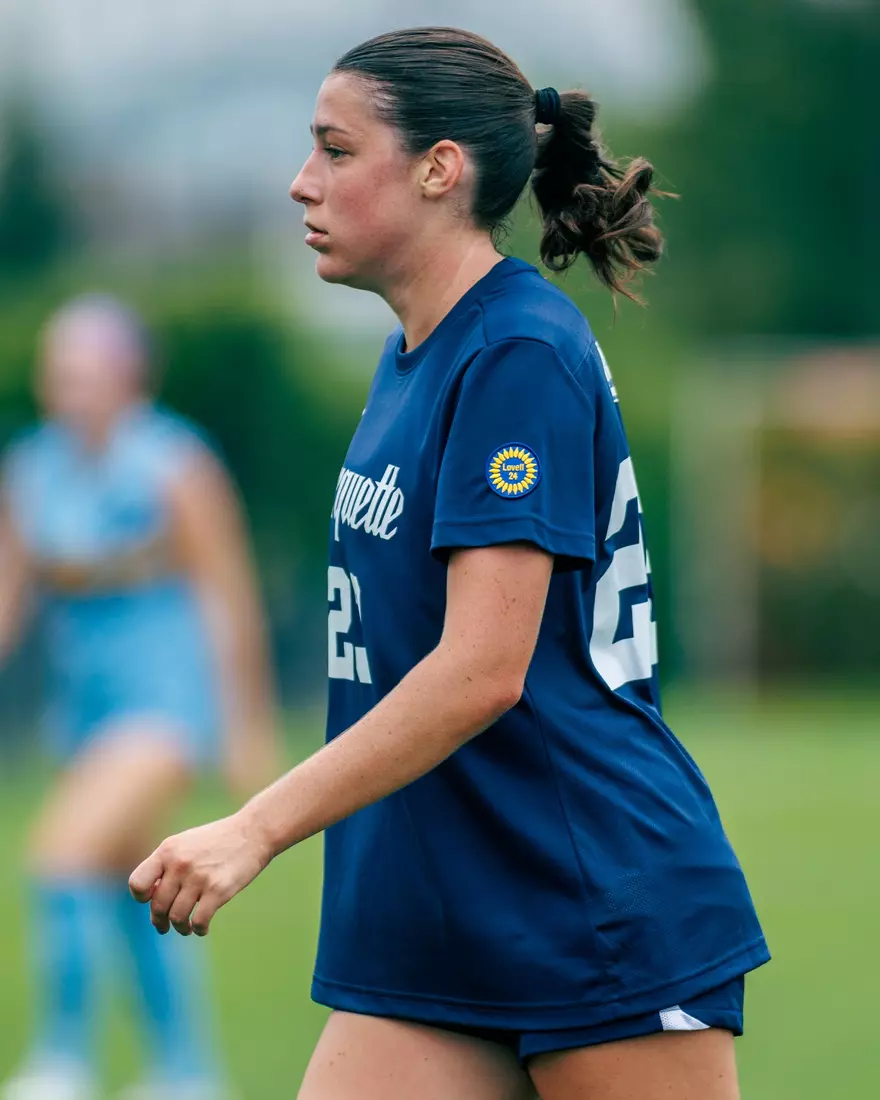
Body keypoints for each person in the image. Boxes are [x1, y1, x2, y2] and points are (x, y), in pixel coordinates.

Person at [129, 27, 770, 1100]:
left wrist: (254, 826)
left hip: (588, 901)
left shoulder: (515, 349)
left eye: (334, 150)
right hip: (434, 914)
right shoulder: (411, 358)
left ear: (439, 170)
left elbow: (483, 668)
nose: (300, 183)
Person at [0, 295, 279, 1100]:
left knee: (58, 856)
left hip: (164, 703)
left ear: (130, 376)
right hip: (82, 711)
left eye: (85, 372)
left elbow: (226, 592)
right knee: (138, 884)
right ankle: (187, 1072)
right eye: (58, 373)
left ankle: (60, 1063)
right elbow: (10, 598)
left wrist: (246, 722)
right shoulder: (32, 466)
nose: (67, 389)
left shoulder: (175, 463)